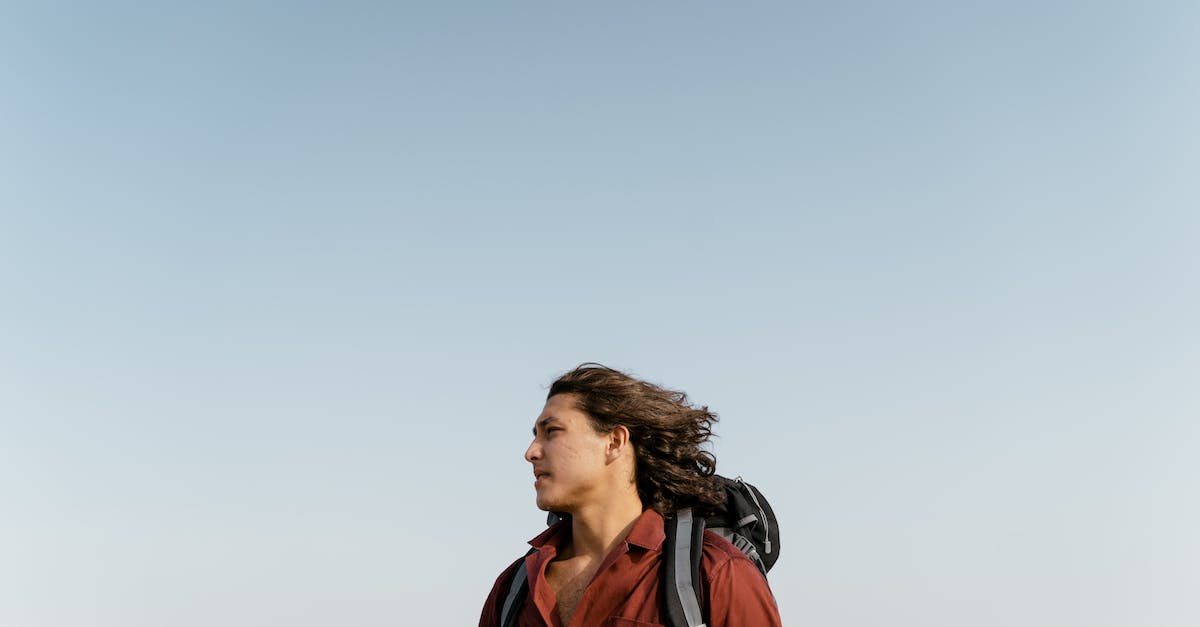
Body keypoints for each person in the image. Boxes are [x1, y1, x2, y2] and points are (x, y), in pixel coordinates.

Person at [478, 364, 782, 627]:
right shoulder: (513, 589)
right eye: (534, 436)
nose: (531, 453)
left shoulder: (715, 573)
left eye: (552, 432)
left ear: (614, 441)